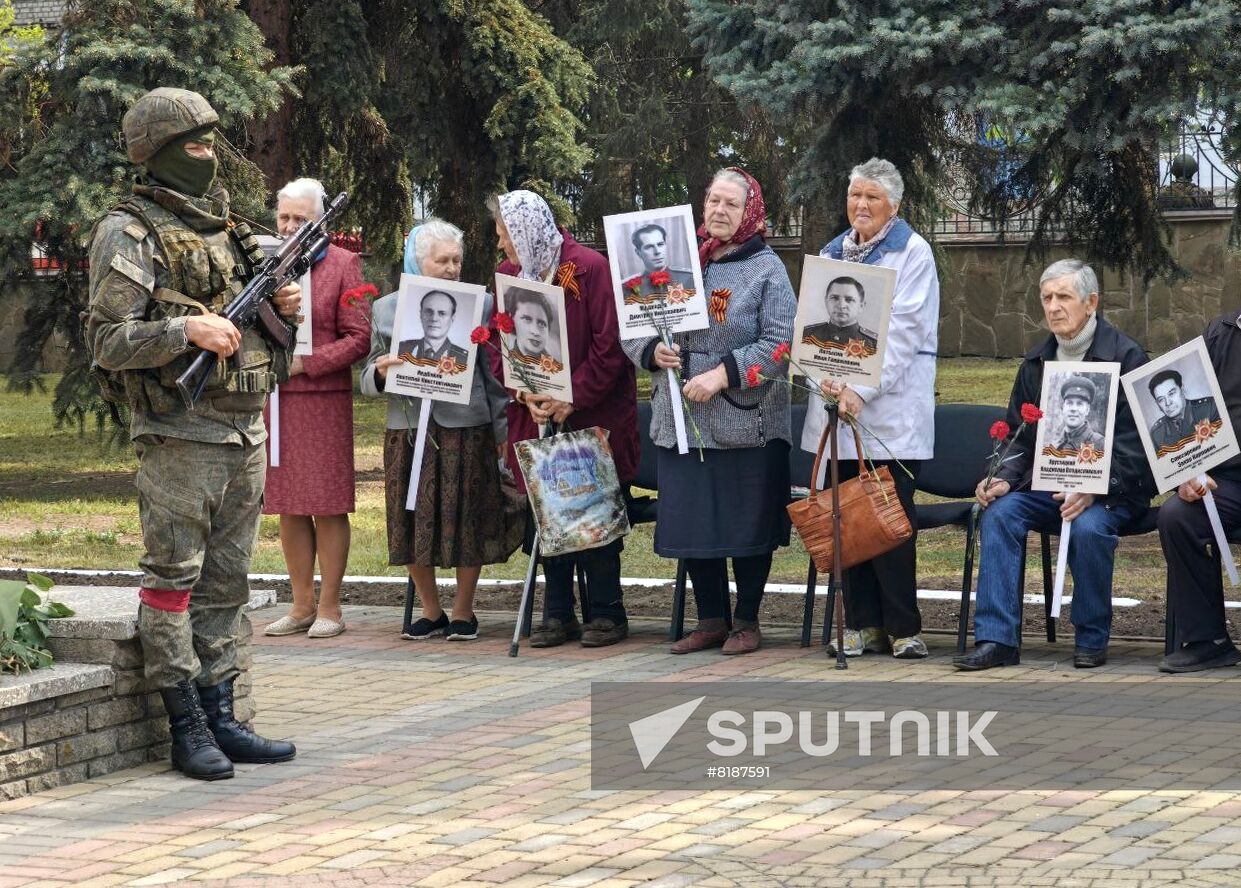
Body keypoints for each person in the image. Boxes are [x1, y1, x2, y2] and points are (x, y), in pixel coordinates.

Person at [85, 88, 299, 780]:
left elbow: (269, 341)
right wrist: (187, 329)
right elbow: (109, 341)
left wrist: (282, 309)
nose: (208, 154)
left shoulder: (228, 229)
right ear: (158, 151)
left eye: (212, 141)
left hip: (242, 431)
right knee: (175, 581)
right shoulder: (130, 230)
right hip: (181, 433)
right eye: (193, 143)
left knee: (227, 586)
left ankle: (224, 713)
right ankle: (187, 724)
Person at [623, 167, 796, 656]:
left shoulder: (767, 268)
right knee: (697, 519)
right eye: (713, 201)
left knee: (746, 521)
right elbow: (632, 322)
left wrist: (723, 373)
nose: (720, 212)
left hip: (744, 417)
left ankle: (747, 620)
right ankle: (711, 619)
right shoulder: (674, 261)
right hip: (681, 416)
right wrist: (651, 350)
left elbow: (782, 345)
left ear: (750, 212)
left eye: (731, 205)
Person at [955, 259, 1152, 671]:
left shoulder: (1127, 356)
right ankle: (997, 640)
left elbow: (1141, 446)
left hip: (1114, 492)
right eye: (1047, 297)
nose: (1053, 306)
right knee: (1000, 513)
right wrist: (1004, 478)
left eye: (1064, 296)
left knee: (1088, 525)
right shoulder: (1037, 362)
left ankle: (1091, 637)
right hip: (1049, 486)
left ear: (1091, 302)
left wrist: (1097, 486)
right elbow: (1016, 435)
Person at [360, 220, 525, 640]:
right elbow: (365, 377)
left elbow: (495, 376)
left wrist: (502, 429)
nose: (452, 268)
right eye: (442, 261)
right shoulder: (385, 309)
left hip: (467, 428)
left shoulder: (482, 306)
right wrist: (378, 374)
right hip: (409, 429)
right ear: (419, 261)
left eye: (457, 260)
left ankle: (464, 612)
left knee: (469, 516)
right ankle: (430, 611)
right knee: (410, 517)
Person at [802, 158, 939, 660]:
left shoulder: (914, 254)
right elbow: (812, 329)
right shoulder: (831, 253)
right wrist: (827, 381)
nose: (861, 205)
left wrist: (863, 390)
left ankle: (903, 627)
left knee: (887, 522)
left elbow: (904, 333)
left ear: (894, 207)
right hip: (835, 409)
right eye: (855, 196)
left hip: (887, 414)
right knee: (846, 522)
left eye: (872, 198)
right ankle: (860, 624)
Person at [492, 190, 639, 648]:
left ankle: (607, 613)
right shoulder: (509, 275)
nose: (501, 246)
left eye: (505, 235)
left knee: (590, 508)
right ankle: (557, 612)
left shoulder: (589, 268)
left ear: (524, 231)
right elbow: (500, 349)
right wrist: (523, 392)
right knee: (546, 511)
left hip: (593, 414)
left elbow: (610, 344)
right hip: (534, 412)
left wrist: (570, 396)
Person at [261, 178, 369, 641]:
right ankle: (300, 603)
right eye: (284, 217)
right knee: (288, 506)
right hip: (277, 400)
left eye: (300, 219)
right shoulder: (262, 266)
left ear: (322, 220)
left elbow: (360, 337)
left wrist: (309, 362)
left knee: (325, 505)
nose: (289, 226)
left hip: (322, 402)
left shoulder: (346, 265)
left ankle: (330, 606)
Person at [1157, 314, 1241, 672]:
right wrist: (1186, 473)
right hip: (1226, 479)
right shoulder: (1220, 335)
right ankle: (1209, 640)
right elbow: (1186, 415)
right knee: (1177, 516)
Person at [1148, 369, 1221, 455]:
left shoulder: (1209, 408)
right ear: (1157, 404)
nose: (1168, 403)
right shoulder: (1157, 433)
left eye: (1171, 394)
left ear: (1182, 390)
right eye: (1161, 400)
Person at [801, 277, 878, 352]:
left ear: (861, 306)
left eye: (849, 300)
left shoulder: (874, 345)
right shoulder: (806, 336)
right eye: (834, 298)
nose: (841, 306)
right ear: (826, 301)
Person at [397, 290, 469, 368]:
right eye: (429, 311)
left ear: (452, 318)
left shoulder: (464, 359)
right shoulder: (400, 349)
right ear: (421, 314)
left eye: (442, 313)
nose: (434, 318)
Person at [629, 223, 695, 295]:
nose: (657, 252)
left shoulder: (688, 278)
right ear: (638, 253)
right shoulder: (631, 287)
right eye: (649, 247)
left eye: (660, 244)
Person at [1054, 375, 1107, 454]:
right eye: (1069, 403)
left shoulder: (1101, 445)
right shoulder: (1054, 446)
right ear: (1063, 407)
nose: (1073, 409)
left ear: (1087, 410)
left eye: (1079, 404)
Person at [505, 286, 560, 363]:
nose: (535, 331)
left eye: (541, 323)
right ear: (511, 319)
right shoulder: (503, 361)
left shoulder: (557, 368)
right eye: (527, 319)